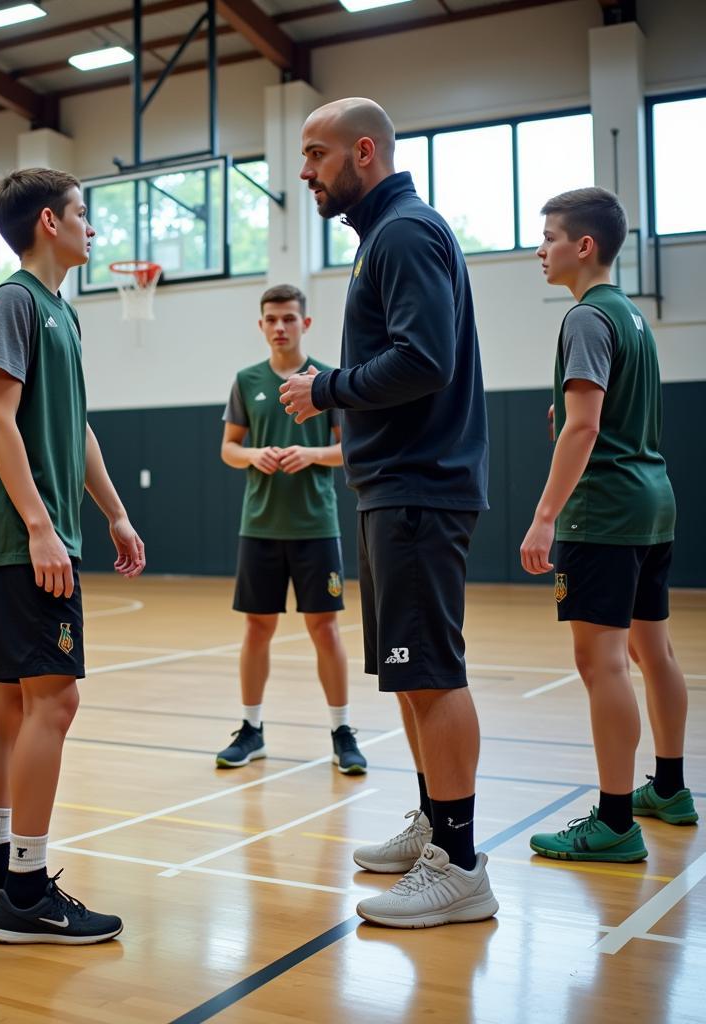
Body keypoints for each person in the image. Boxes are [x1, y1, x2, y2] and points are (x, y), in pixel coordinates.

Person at [281, 97, 498, 928]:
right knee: (412, 676)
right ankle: (435, 830)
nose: (305, 172)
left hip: (417, 487)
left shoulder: (403, 233)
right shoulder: (388, 237)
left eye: (315, 155)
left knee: (433, 674)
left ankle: (461, 865)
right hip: (395, 489)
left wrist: (324, 386)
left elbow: (424, 359)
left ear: (363, 152)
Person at [0, 168, 146, 945]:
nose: (92, 229)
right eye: (82, 215)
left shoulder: (61, 313)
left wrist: (116, 512)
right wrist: (39, 525)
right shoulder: (16, 301)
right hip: (25, 537)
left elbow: (78, 430)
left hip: (43, 531)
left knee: (12, 701)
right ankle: (28, 892)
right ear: (47, 221)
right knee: (54, 702)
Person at [523, 187, 697, 861]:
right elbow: (603, 415)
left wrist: (544, 517)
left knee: (602, 664)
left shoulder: (586, 320)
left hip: (606, 513)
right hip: (653, 501)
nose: (541, 250)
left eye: (549, 237)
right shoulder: (631, 316)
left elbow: (587, 425)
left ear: (583, 246)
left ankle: (616, 822)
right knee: (654, 652)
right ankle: (672, 789)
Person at [217, 283, 367, 775]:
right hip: (258, 526)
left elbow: (351, 450)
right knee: (256, 628)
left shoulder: (328, 379)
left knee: (324, 629)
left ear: (305, 322)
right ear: (261, 325)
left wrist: (313, 454)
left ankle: (342, 731)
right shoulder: (246, 380)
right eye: (271, 319)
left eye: (288, 318)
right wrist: (253, 455)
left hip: (315, 526)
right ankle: (251, 729)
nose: (279, 327)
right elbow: (229, 449)